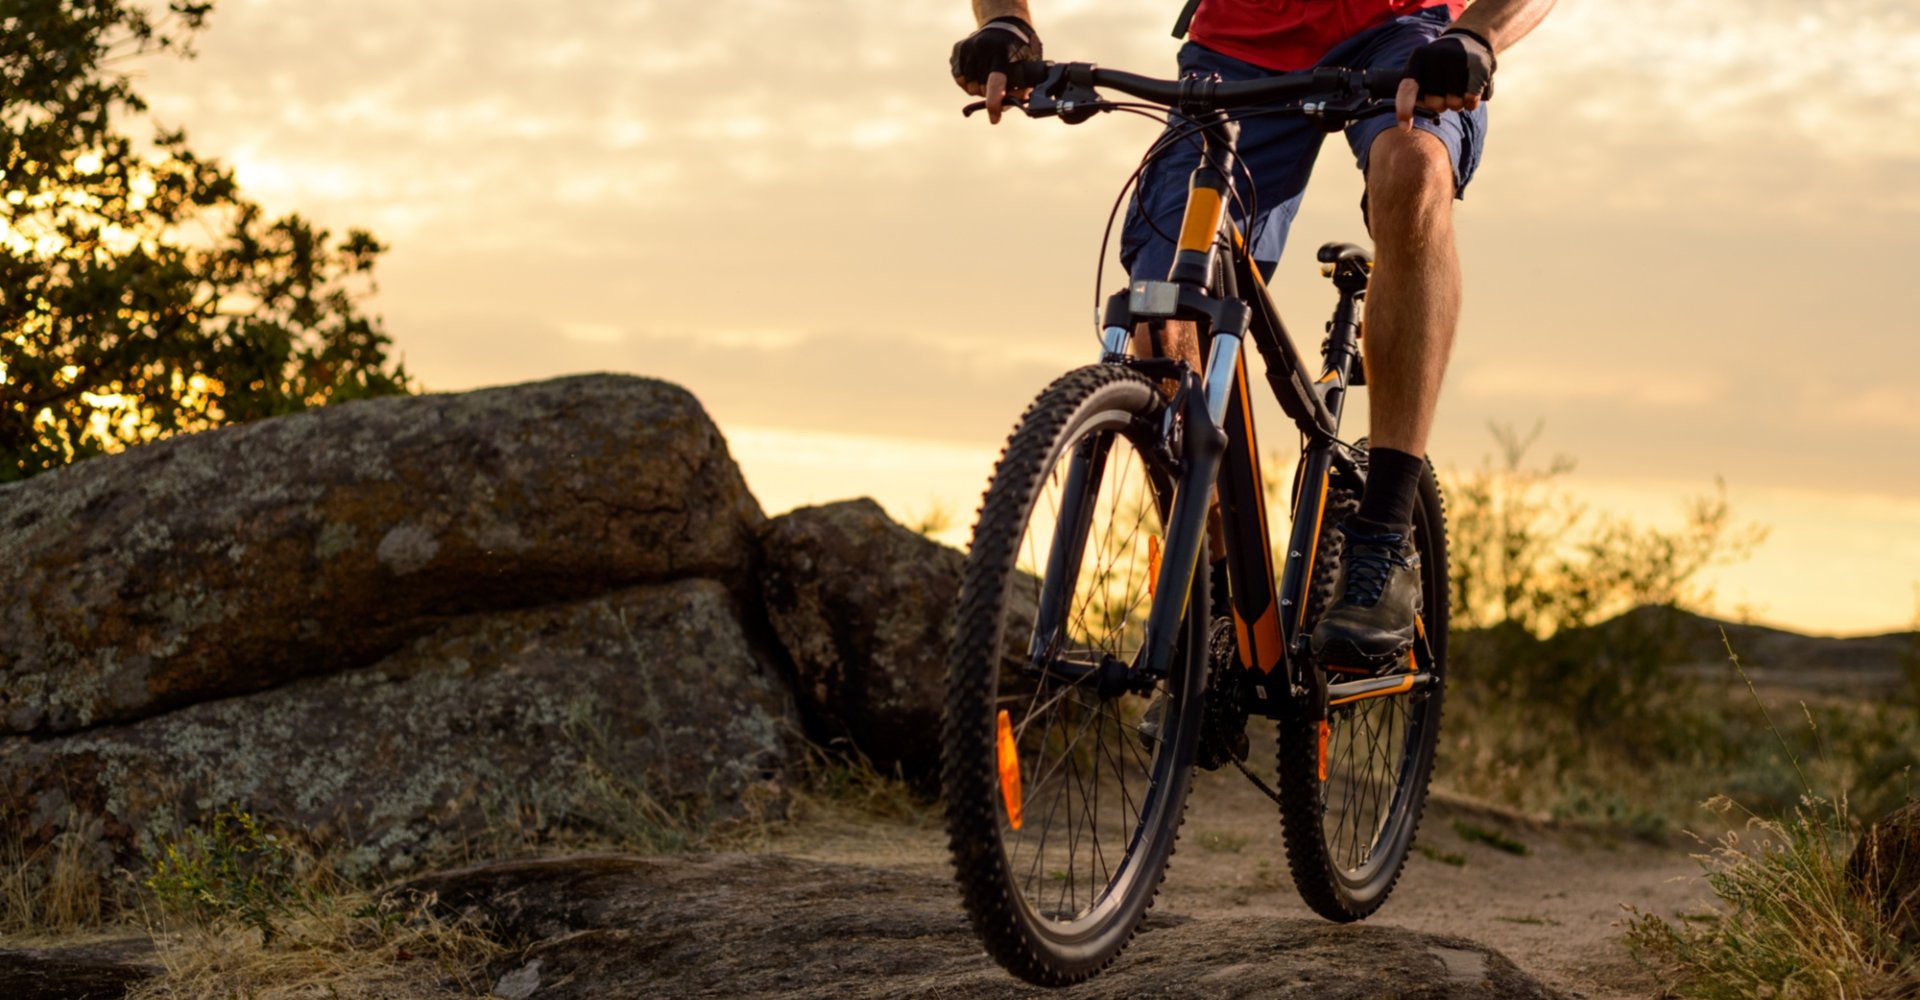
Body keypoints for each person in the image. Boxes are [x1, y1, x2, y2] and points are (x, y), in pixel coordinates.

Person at [951, 0, 1555, 671]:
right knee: (1163, 313)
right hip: (1237, 47)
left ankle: (1384, 536)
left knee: (1413, 170)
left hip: (1408, 36)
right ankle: (1214, 607)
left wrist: (1478, 35)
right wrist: (1005, 23)